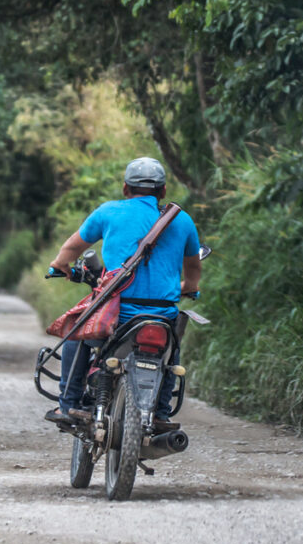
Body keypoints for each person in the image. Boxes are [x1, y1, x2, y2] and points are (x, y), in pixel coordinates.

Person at [45, 157, 201, 431]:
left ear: (125, 189)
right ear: (163, 192)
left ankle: (68, 404)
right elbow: (193, 266)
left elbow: (70, 249)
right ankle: (162, 413)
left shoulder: (108, 212)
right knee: (169, 352)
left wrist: (60, 266)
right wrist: (190, 287)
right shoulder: (183, 219)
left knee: (75, 336)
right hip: (161, 314)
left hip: (117, 315)